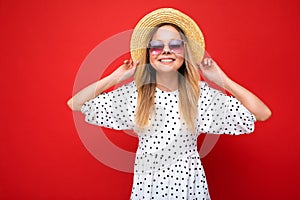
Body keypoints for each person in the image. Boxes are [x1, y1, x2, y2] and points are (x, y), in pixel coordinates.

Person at [67, 8, 271, 200]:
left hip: (189, 189)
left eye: (174, 45)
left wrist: (222, 80)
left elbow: (262, 113)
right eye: (157, 46)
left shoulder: (199, 96)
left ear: (185, 52)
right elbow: (75, 103)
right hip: (147, 189)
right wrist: (114, 78)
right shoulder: (135, 95)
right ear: (148, 53)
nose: (166, 51)